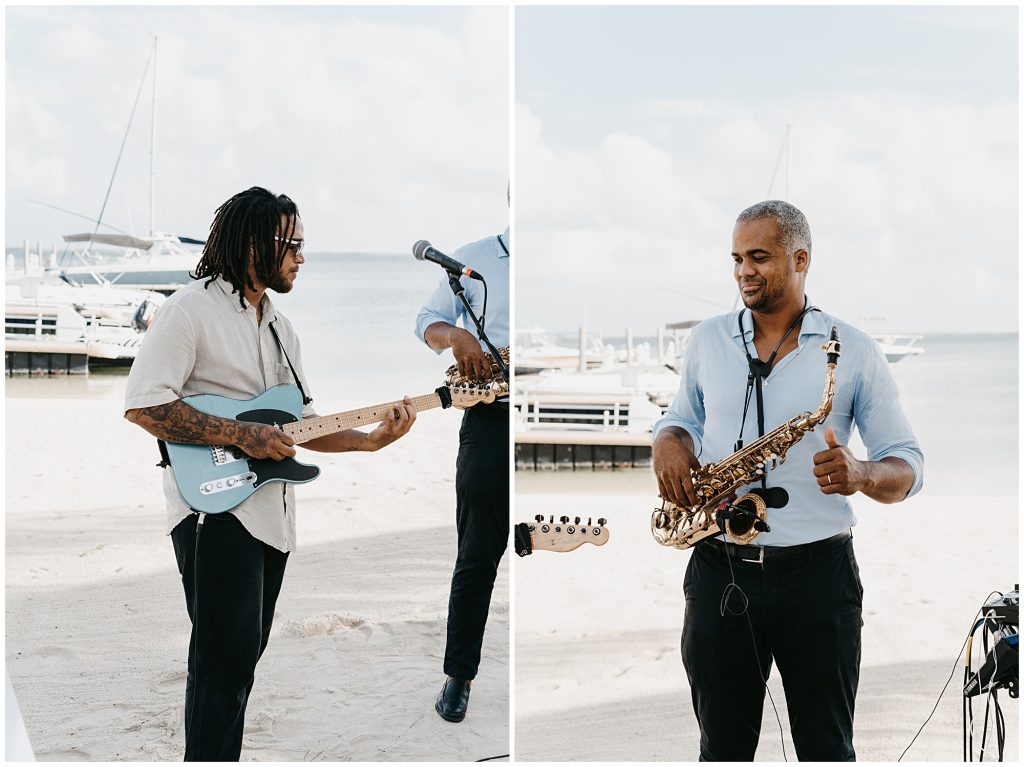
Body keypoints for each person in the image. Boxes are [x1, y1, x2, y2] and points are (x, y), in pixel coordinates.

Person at [123, 187, 416, 761]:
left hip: (271, 514)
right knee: (221, 667)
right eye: (293, 245)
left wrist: (369, 441)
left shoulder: (282, 327)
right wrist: (241, 433)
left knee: (240, 663)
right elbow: (144, 405)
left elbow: (301, 424)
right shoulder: (190, 310)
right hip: (212, 508)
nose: (302, 257)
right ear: (256, 243)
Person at [652, 200, 923, 761]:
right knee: (721, 749)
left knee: (826, 749)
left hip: (818, 579)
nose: (743, 272)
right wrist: (667, 440)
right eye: (735, 259)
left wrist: (864, 473)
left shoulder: (852, 350)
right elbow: (681, 418)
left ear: (800, 259)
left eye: (759, 257)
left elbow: (908, 463)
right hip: (719, 567)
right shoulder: (706, 340)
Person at [414, 221, 509, 723]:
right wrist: (455, 335)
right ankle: (459, 676)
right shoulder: (474, 259)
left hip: (542, 417)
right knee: (476, 553)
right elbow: (426, 320)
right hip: (491, 417)